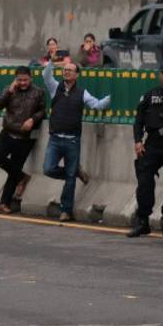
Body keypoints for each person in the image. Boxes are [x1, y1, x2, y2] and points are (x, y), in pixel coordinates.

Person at [42, 57, 111, 222]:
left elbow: (97, 105)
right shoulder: (55, 88)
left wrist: (113, 96)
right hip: (55, 139)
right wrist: (52, 61)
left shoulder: (82, 93)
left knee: (70, 178)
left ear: (77, 75)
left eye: (70, 70)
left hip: (72, 140)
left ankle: (66, 211)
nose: (66, 72)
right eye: (65, 69)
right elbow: (46, 75)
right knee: (48, 169)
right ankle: (74, 173)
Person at [128, 64, 163, 238]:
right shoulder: (150, 95)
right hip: (152, 145)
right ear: (160, 75)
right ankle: (143, 221)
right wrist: (138, 141)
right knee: (144, 182)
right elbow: (138, 121)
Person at [0, 65, 45, 214]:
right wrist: (8, 92)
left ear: (30, 78)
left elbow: (43, 111)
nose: (22, 83)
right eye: (19, 80)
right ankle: (22, 177)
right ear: (15, 79)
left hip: (26, 137)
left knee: (14, 167)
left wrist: (33, 119)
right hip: (8, 132)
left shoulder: (38, 92)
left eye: (25, 80)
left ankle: (4, 203)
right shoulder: (9, 90)